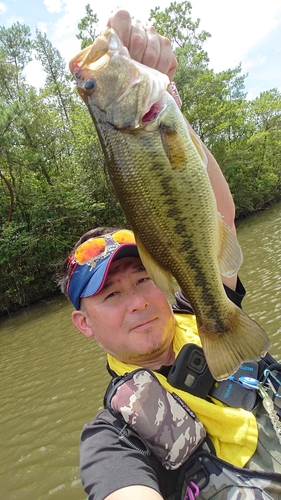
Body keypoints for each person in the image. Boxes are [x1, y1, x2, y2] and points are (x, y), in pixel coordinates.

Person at [58, 10, 281, 500]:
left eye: (142, 280)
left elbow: (217, 212)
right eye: (110, 293)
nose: (136, 300)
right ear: (84, 324)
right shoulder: (112, 438)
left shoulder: (195, 307)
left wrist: (170, 104)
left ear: (164, 283)